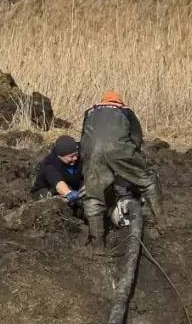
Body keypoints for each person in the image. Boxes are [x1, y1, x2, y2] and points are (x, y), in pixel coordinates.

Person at [79, 91, 162, 246]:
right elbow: (136, 139)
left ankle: (97, 246)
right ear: (119, 102)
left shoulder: (90, 112)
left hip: (91, 152)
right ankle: (161, 224)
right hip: (118, 149)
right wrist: (131, 165)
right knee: (147, 180)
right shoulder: (125, 111)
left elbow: (84, 137)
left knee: (93, 197)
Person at [31, 134, 84, 204]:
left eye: (76, 155)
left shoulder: (79, 152)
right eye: (71, 156)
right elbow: (59, 184)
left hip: (73, 185)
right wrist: (69, 193)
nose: (75, 158)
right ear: (60, 156)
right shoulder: (49, 164)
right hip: (49, 189)